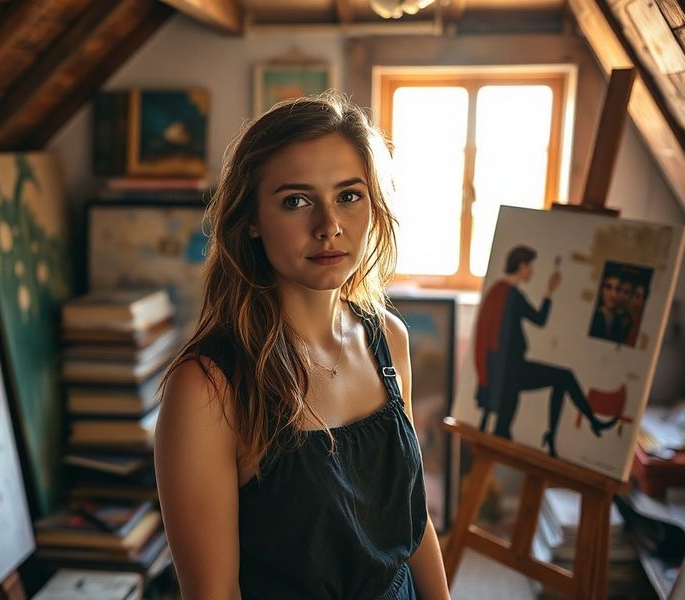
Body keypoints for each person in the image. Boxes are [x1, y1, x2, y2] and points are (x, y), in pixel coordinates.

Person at [154, 93, 449, 600]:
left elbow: (411, 517)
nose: (329, 225)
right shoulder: (208, 390)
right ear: (251, 218)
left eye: (349, 196)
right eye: (296, 200)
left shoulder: (389, 341)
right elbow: (213, 594)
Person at [474, 245, 617, 457]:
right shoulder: (510, 294)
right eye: (530, 266)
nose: (531, 271)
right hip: (511, 372)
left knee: (562, 379)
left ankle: (556, 434)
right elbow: (539, 319)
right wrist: (549, 291)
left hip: (508, 370)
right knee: (564, 377)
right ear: (522, 266)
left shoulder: (501, 291)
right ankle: (590, 422)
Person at [589, 271, 628, 344]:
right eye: (608, 288)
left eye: (617, 290)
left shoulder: (619, 320)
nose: (613, 295)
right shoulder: (592, 315)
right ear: (601, 289)